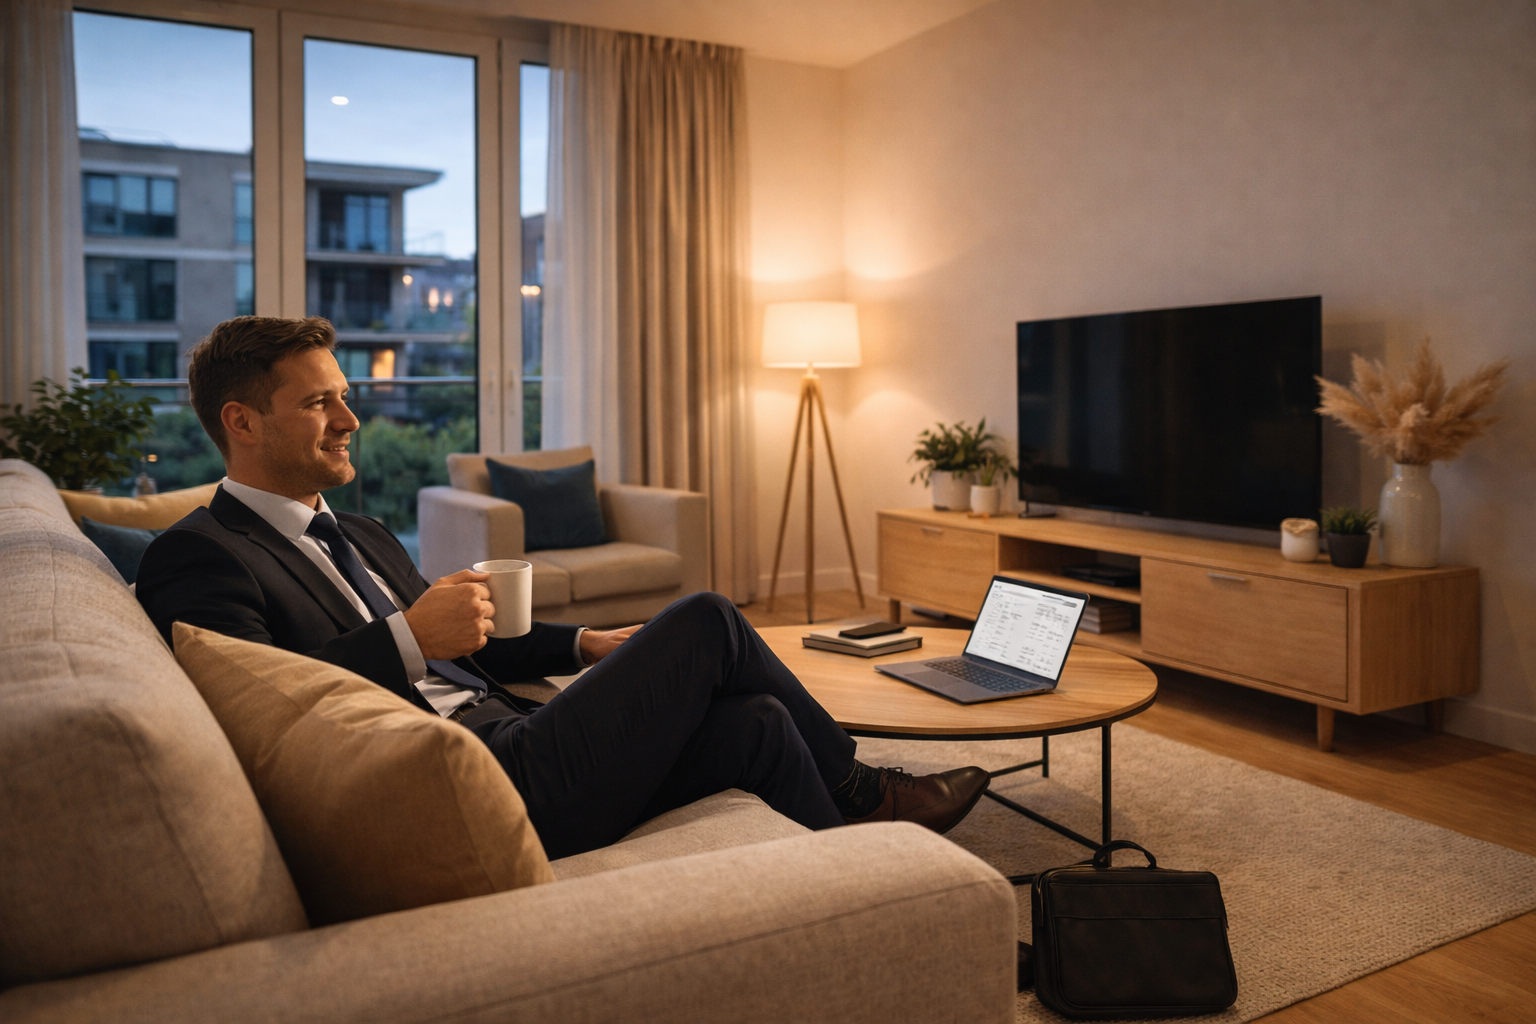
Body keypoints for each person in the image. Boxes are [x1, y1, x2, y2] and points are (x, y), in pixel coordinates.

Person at [136, 316, 990, 859]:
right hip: (463, 782)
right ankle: (870, 791)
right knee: (706, 618)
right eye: (319, 404)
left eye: (346, 398)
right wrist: (407, 639)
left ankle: (888, 886)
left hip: (522, 731)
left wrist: (582, 645)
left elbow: (465, 631)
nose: (351, 420)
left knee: (759, 725)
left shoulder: (355, 530)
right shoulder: (199, 555)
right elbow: (267, 717)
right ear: (241, 423)